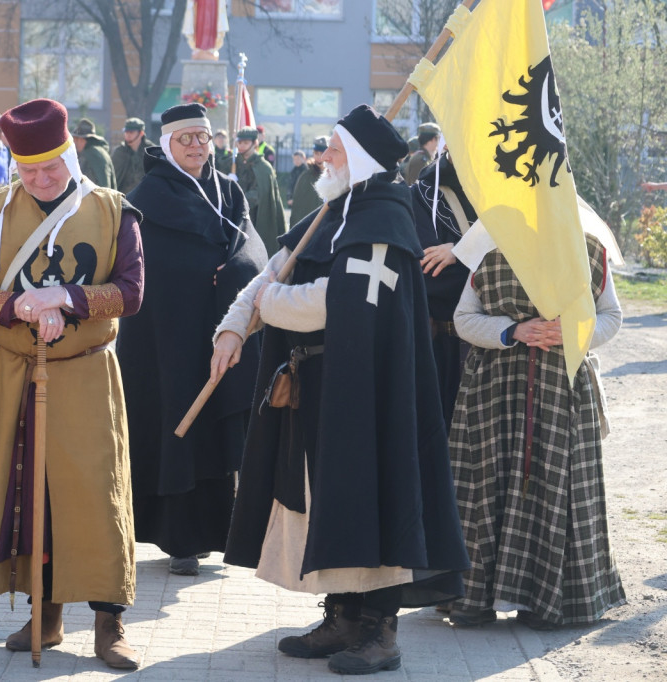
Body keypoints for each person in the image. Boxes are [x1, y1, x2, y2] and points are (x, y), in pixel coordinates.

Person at [213, 104, 469, 675]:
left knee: (373, 498)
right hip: (322, 389)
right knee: (334, 502)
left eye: (333, 147)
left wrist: (268, 305)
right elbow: (273, 271)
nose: (322, 156)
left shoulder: (386, 218)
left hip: (371, 393)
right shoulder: (335, 210)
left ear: (358, 157)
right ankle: (343, 618)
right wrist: (233, 327)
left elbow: (335, 301)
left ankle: (381, 632)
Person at [0, 98, 143, 670]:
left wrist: (67, 297)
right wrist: (18, 306)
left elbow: (131, 290)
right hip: (17, 376)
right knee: (31, 496)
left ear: (70, 155)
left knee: (96, 494)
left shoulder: (112, 211)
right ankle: (47, 612)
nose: (39, 180)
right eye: (27, 170)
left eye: (50, 168)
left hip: (87, 374)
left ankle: (109, 622)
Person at [447, 230, 625, 630]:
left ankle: (548, 603)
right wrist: (513, 331)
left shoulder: (587, 247)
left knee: (555, 488)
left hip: (562, 389)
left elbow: (611, 317)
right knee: (484, 488)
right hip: (494, 390)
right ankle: (473, 597)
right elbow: (463, 319)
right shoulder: (488, 242)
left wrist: (572, 332)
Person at [119, 102, 267, 577]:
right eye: (185, 139)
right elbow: (147, 266)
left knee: (216, 431)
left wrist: (235, 271)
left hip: (220, 326)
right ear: (166, 144)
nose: (196, 146)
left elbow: (251, 245)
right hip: (169, 337)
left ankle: (218, 532)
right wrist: (201, 274)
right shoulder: (147, 197)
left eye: (202, 137)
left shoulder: (228, 188)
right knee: (176, 428)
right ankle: (179, 538)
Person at [409, 152, 473, 430]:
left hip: (496, 342)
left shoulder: (504, 191)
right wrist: (470, 258)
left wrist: (461, 252)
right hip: (441, 343)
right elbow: (431, 274)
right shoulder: (423, 195)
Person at [234, 125, 286, 253]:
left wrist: (235, 199)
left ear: (255, 143)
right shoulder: (234, 163)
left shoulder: (264, 167)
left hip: (256, 218)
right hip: (237, 220)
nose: (241, 146)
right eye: (239, 142)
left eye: (246, 143)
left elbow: (258, 195)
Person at [289, 136, 327, 227]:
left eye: (322, 153)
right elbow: (298, 211)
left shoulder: (336, 176)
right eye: (316, 153)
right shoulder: (306, 176)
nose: (319, 157)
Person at [111, 117, 154, 194]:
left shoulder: (150, 152)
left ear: (141, 133)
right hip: (123, 196)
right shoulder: (119, 152)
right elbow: (112, 178)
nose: (128, 135)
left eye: (131, 132)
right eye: (126, 132)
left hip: (145, 195)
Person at [72, 118, 117, 189]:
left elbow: (103, 186)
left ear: (84, 139)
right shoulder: (98, 151)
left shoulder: (92, 154)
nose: (75, 142)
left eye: (77, 139)